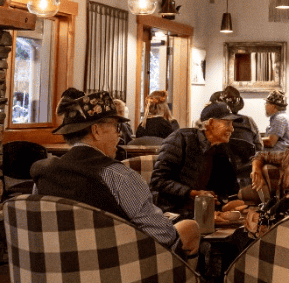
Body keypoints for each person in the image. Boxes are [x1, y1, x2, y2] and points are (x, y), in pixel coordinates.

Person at [31, 89, 199, 258]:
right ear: (96, 131)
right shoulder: (120, 176)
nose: (120, 135)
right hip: (114, 270)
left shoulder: (43, 175)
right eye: (116, 127)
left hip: (60, 266)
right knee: (190, 228)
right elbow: (163, 235)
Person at [150, 102, 245, 221]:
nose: (232, 129)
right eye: (227, 123)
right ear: (210, 123)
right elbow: (158, 181)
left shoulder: (220, 149)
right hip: (172, 212)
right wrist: (193, 193)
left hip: (201, 213)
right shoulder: (180, 139)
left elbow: (229, 188)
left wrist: (222, 202)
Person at [218, 86, 263, 182]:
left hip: (221, 171)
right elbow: (259, 146)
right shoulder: (249, 121)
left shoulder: (214, 123)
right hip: (246, 171)